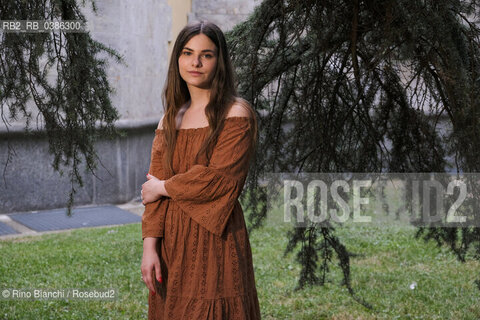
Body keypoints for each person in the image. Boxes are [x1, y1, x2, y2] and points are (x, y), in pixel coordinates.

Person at [140, 20, 261, 319]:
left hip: (215, 238)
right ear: (177, 59)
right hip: (170, 242)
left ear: (220, 61)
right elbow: (151, 193)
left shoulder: (236, 114)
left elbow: (217, 180)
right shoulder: (169, 119)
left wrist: (164, 188)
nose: (195, 62)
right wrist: (150, 247)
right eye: (187, 52)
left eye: (206, 54)